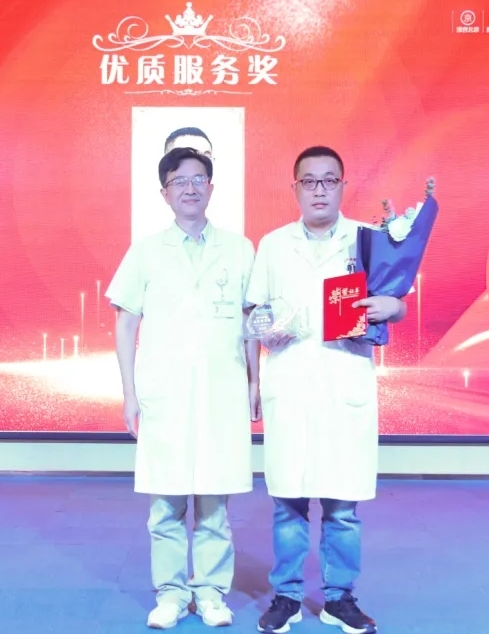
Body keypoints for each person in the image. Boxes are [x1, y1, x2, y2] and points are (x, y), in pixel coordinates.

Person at [246, 146, 406, 634]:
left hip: (343, 381)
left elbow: (397, 301)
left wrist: (391, 307)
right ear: (294, 188)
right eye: (309, 181)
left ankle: (340, 598)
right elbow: (252, 313)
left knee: (342, 506)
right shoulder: (273, 245)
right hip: (291, 382)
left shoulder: (368, 240)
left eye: (329, 180)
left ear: (342, 186)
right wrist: (265, 338)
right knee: (288, 502)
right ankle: (287, 596)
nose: (319, 190)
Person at [107, 145, 261, 629]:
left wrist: (255, 380)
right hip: (165, 394)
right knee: (166, 503)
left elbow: (251, 320)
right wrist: (130, 393)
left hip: (221, 390)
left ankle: (211, 593)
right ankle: (171, 594)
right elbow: (126, 323)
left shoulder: (239, 248)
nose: (190, 188)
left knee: (215, 503)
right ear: (164, 193)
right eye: (179, 181)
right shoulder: (146, 251)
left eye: (198, 179)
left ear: (211, 188)